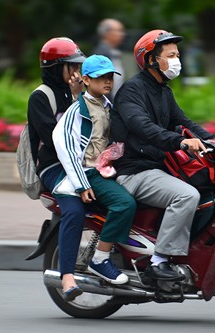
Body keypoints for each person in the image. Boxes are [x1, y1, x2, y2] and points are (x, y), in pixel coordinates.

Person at [110, 30, 215, 281]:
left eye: (177, 54)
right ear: (151, 60)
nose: (177, 60)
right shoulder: (132, 91)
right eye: (170, 55)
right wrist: (180, 141)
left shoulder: (163, 91)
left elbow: (184, 121)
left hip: (156, 168)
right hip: (135, 171)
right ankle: (159, 262)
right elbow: (143, 128)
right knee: (186, 195)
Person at [52, 54, 136, 287]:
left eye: (110, 77)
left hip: (106, 170)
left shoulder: (108, 106)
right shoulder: (77, 111)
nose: (107, 82)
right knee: (124, 204)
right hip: (89, 172)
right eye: (101, 78)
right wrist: (81, 183)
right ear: (87, 80)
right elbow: (65, 146)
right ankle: (100, 259)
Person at [27, 37, 86, 302]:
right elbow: (57, 141)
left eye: (78, 66)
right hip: (54, 168)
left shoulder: (73, 92)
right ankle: (68, 277)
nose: (77, 72)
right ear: (54, 68)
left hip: (80, 164)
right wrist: (76, 99)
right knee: (74, 208)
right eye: (71, 66)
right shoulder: (41, 97)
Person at [93, 18, 126, 99]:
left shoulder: (115, 52)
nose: (123, 34)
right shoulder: (100, 54)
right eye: (119, 31)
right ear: (107, 33)